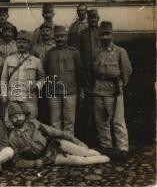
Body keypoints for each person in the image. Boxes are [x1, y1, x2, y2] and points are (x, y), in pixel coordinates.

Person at [8, 102, 110, 167]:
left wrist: (78, 142)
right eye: (14, 117)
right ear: (11, 120)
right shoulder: (12, 137)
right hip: (46, 158)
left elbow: (57, 132)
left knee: (86, 152)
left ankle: (112, 154)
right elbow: (17, 161)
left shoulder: (34, 123)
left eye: (20, 115)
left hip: (56, 144)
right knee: (77, 161)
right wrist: (33, 163)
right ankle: (100, 159)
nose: (18, 118)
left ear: (24, 116)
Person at [93, 21, 132, 160]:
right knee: (101, 121)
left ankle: (123, 148)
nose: (104, 37)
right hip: (98, 90)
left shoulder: (120, 52)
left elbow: (127, 71)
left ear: (112, 35)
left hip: (114, 91)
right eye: (102, 34)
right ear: (99, 35)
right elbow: (94, 71)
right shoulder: (97, 52)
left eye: (107, 34)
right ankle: (106, 147)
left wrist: (120, 86)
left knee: (118, 120)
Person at [44, 25, 82, 136]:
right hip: (53, 92)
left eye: (62, 36)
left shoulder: (74, 52)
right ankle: (57, 146)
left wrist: (80, 90)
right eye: (57, 37)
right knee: (55, 122)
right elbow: (46, 71)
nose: (60, 39)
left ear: (66, 37)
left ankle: (69, 147)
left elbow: (79, 72)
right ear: (53, 38)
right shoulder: (50, 53)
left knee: (69, 122)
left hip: (70, 92)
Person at [1, 30, 45, 122]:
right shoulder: (9, 59)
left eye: (24, 43)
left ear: (29, 45)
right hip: (13, 98)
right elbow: (4, 79)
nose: (22, 45)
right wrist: (4, 96)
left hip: (29, 98)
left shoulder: (36, 61)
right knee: (11, 123)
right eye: (19, 42)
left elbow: (43, 78)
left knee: (30, 123)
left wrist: (37, 85)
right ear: (16, 44)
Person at [77, 9, 101, 141]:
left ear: (98, 18)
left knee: (99, 98)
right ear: (88, 19)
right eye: (90, 18)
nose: (92, 20)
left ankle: (99, 128)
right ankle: (88, 128)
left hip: (99, 72)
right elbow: (79, 53)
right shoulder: (82, 34)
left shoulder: (102, 33)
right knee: (88, 99)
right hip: (86, 71)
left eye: (95, 18)